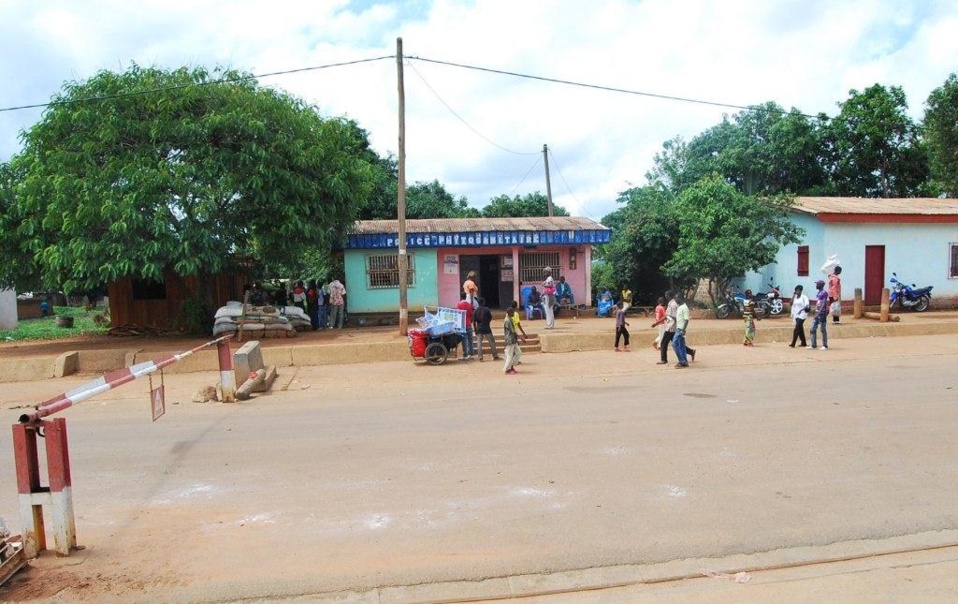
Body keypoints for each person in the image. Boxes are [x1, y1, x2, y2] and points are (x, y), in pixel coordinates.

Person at [671, 292, 696, 368]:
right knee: (681, 345)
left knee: (674, 343)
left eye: (676, 298)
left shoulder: (685, 308)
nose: (675, 300)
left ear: (680, 298)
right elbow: (680, 318)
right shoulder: (680, 307)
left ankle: (682, 361)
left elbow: (686, 320)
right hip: (678, 328)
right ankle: (684, 361)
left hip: (680, 329)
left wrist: (683, 330)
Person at [472, 297, 499, 362]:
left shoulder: (476, 311)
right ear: (484, 302)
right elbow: (490, 317)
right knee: (492, 342)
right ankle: (495, 355)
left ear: (478, 303)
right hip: (487, 328)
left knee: (479, 343)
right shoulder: (486, 309)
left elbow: (474, 322)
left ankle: (480, 357)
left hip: (479, 328)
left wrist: (475, 329)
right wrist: (487, 323)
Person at [502, 306, 525, 375]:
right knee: (509, 355)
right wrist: (521, 338)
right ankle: (507, 369)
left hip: (513, 339)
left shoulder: (511, 319)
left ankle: (511, 365)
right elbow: (513, 331)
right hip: (510, 339)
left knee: (518, 352)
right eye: (512, 312)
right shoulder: (507, 321)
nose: (513, 314)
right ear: (509, 313)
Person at [809, 279, 829, 350]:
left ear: (820, 285)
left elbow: (823, 303)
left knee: (823, 329)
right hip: (817, 312)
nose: (816, 285)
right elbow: (818, 302)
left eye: (817, 284)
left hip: (822, 313)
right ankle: (813, 344)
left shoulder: (824, 293)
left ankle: (825, 345)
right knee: (812, 328)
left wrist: (819, 312)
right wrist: (815, 310)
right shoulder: (818, 292)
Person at [456, 293, 475, 360]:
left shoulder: (459, 305)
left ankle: (465, 354)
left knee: (464, 340)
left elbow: (458, 315)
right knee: (470, 339)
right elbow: (471, 315)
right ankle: (472, 354)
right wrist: (470, 321)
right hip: (469, 324)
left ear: (461, 297)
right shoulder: (469, 305)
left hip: (462, 325)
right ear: (466, 297)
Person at [509, 300, 528, 366]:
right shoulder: (515, 314)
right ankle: (514, 361)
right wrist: (523, 333)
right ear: (516, 306)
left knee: (514, 347)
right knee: (516, 347)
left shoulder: (508, 313)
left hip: (509, 333)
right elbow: (518, 324)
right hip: (514, 332)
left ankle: (513, 360)